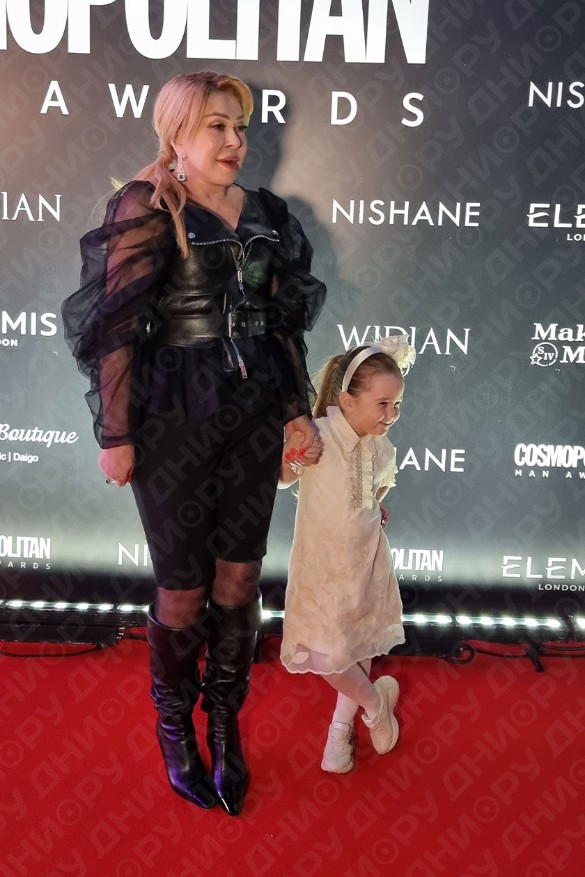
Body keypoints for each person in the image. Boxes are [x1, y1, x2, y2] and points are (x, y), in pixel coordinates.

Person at [62, 71, 326, 816]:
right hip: (172, 416)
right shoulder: (149, 204)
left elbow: (281, 326)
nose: (235, 140)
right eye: (217, 125)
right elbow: (116, 327)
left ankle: (224, 722)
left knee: (239, 580)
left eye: (240, 127)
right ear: (176, 132)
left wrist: (296, 410)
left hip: (252, 414)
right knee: (182, 587)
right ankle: (175, 727)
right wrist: (116, 433)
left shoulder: (269, 214)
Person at [279, 336, 415, 774]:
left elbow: (375, 490)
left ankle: (340, 729)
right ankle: (375, 705)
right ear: (347, 401)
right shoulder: (317, 433)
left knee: (358, 642)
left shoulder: (383, 448)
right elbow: (281, 477)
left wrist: (375, 507)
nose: (391, 414)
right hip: (320, 572)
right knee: (330, 657)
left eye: (397, 404)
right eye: (382, 404)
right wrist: (294, 456)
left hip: (365, 564)